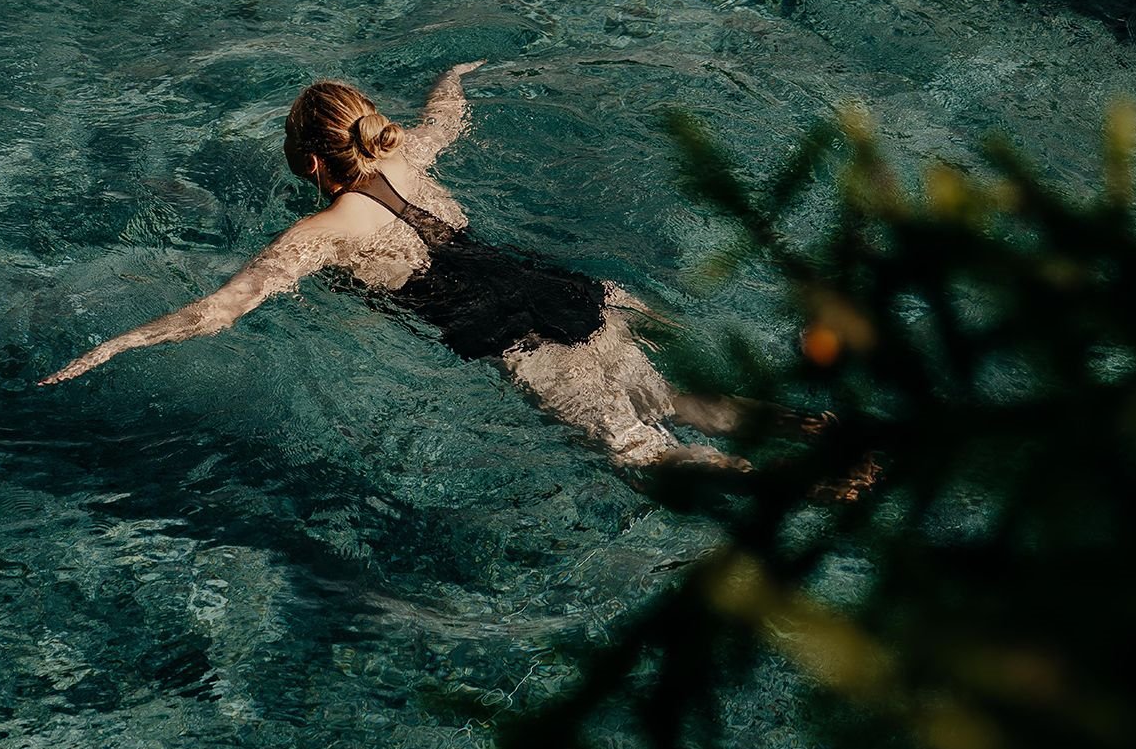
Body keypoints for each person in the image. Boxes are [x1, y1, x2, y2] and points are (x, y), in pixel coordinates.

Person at [41, 63, 851, 494]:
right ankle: (817, 432)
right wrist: (455, 74)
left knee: (632, 448)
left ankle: (784, 488)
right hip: (567, 290)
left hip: (517, 335)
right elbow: (447, 118)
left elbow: (221, 311)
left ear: (313, 163)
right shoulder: (409, 156)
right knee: (666, 400)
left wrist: (113, 345)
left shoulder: (324, 231)